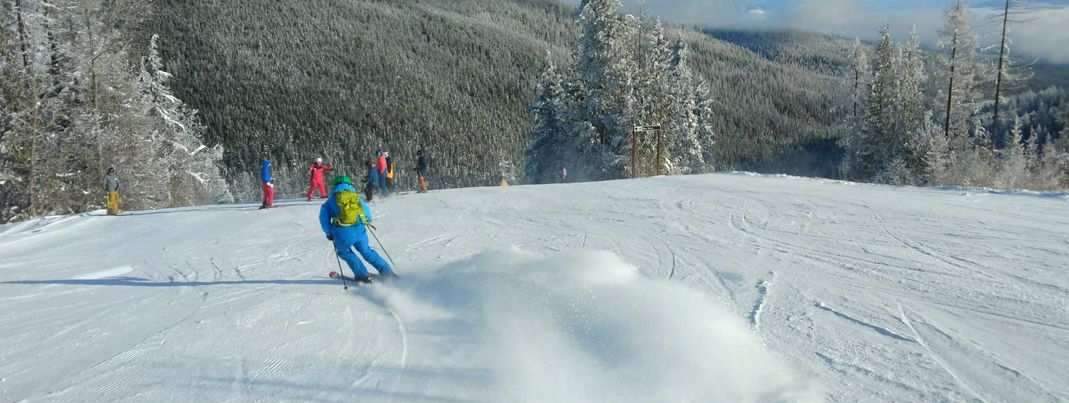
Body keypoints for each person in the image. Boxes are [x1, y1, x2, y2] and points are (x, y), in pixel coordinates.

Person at [320, 175, 395, 282]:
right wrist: (366, 222)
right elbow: (367, 214)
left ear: (334, 186)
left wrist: (329, 233)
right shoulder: (356, 198)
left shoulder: (330, 201)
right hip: (359, 229)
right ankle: (387, 272)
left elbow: (324, 219)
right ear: (349, 184)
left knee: (344, 252)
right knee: (366, 251)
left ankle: (362, 275)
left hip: (342, 231)